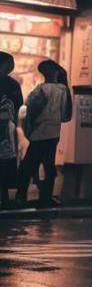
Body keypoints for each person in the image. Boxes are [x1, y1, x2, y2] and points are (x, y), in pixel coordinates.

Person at [18, 60, 71, 208]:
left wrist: (29, 129)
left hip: (39, 132)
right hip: (54, 132)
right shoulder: (63, 89)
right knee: (48, 165)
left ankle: (21, 196)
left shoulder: (40, 90)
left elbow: (31, 111)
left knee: (27, 165)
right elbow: (66, 116)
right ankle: (46, 197)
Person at [0, 53, 23, 208]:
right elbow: (19, 105)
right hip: (5, 128)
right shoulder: (12, 84)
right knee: (5, 162)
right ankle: (5, 198)